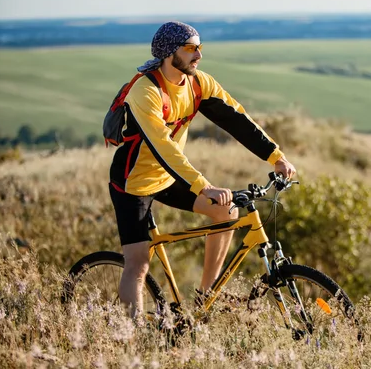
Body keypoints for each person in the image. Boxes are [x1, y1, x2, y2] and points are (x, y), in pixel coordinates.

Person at [108, 21, 296, 317]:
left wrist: (276, 156)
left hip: (169, 178)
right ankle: (132, 340)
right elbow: (164, 148)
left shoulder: (198, 83)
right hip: (133, 183)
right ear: (170, 53)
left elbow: (237, 119)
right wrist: (203, 186)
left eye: (200, 48)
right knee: (138, 264)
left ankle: (203, 302)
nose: (198, 55)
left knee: (226, 211)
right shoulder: (145, 92)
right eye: (190, 48)